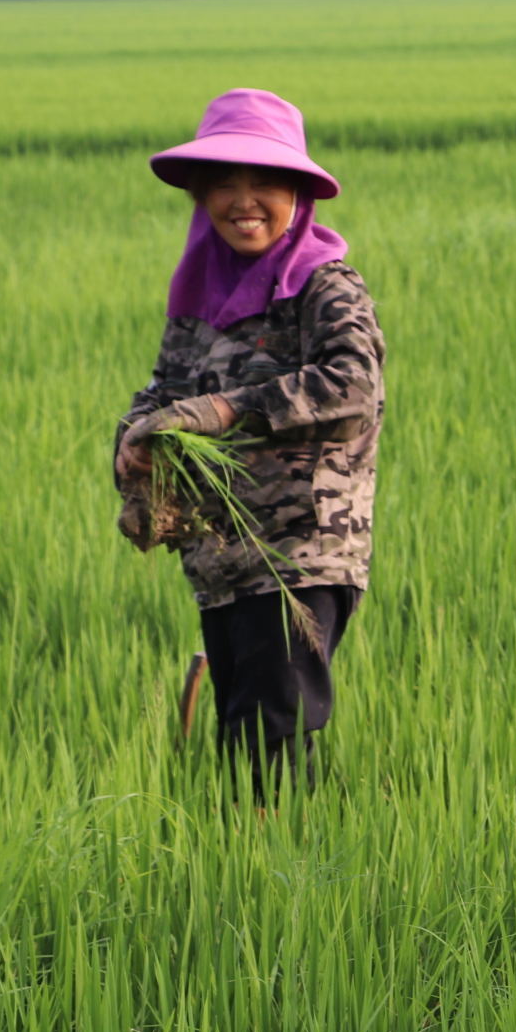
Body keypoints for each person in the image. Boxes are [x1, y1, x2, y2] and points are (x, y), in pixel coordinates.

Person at [113, 88, 384, 798]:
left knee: (272, 735)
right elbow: (164, 391)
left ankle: (285, 886)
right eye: (224, 183)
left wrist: (227, 409)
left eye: (263, 181)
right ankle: (251, 874)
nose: (244, 200)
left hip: (299, 551)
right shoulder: (199, 297)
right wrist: (134, 441)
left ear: (297, 191)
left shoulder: (326, 288)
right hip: (222, 557)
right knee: (241, 743)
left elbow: (354, 384)